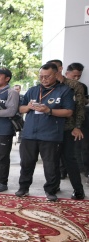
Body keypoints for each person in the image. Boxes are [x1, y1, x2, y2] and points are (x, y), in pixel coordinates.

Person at [16, 63, 75, 201]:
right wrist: (28, 107)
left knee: (51, 165)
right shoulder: (33, 90)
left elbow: (69, 112)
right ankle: (23, 188)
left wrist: (49, 110)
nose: (43, 79)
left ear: (55, 74)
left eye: (47, 76)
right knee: (26, 163)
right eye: (41, 76)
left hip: (50, 135)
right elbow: (20, 109)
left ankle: (51, 190)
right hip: (29, 134)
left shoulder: (64, 91)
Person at [48, 59, 85, 200]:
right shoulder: (47, 85)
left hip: (68, 128)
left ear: (60, 69)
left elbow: (80, 108)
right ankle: (53, 186)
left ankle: (78, 190)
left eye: (53, 68)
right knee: (52, 160)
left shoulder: (75, 86)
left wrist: (77, 127)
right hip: (50, 128)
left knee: (70, 159)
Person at [65, 63, 89, 177]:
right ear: (67, 73)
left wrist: (82, 99)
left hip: (78, 120)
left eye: (79, 76)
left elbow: (83, 104)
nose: (76, 78)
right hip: (64, 120)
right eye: (74, 75)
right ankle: (62, 172)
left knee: (80, 146)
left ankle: (82, 170)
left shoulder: (82, 86)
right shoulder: (60, 85)